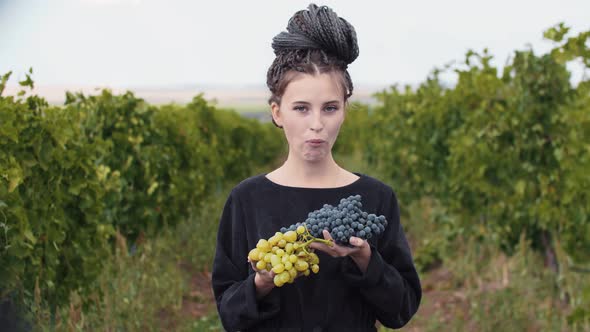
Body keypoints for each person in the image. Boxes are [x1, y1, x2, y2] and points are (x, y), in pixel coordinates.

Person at [211, 3, 421, 331]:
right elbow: (230, 316)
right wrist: (262, 283)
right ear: (277, 113)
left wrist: (365, 259)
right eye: (301, 108)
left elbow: (401, 309)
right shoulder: (246, 199)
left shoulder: (376, 197)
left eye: (330, 108)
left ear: (345, 110)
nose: (317, 124)